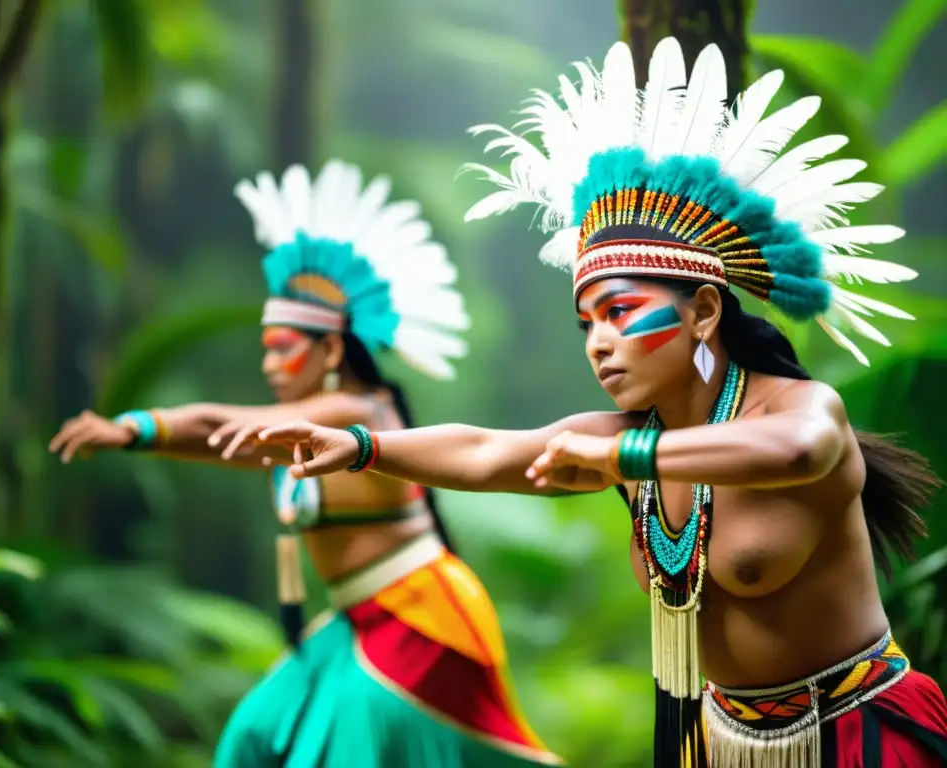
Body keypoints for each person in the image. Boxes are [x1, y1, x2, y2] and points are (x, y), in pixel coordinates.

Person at [210, 41, 947, 767]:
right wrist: (366, 449)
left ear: (704, 313)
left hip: (856, 736)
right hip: (717, 745)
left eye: (621, 311)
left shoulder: (799, 411)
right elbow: (487, 451)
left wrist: (622, 455)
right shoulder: (625, 439)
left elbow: (794, 455)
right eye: (586, 321)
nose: (598, 342)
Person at [49, 159, 563, 768]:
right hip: (355, 621)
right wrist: (138, 435)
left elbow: (220, 427)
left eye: (285, 350)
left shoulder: (356, 413)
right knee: (254, 740)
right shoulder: (294, 429)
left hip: (417, 617)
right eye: (266, 350)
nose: (270, 366)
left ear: (331, 349)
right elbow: (222, 440)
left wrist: (134, 427)